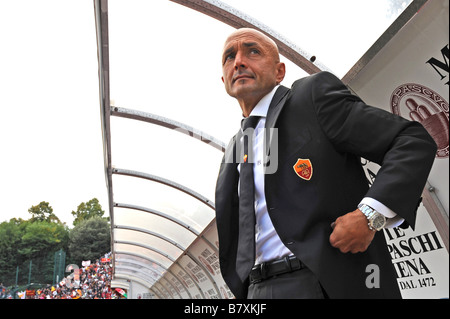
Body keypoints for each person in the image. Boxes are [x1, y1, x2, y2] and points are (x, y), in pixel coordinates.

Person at [214, 28, 437, 299]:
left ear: (279, 71)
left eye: (253, 51)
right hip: (257, 290)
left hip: (323, 283)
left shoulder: (310, 98)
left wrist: (370, 216)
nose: (238, 61)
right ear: (224, 78)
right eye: (229, 57)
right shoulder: (236, 149)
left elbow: (410, 141)